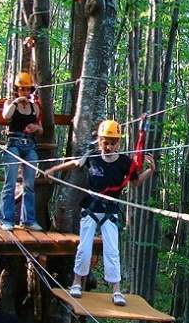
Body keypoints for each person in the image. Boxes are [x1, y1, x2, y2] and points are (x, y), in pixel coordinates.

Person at [45, 119, 155, 306]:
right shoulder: (92, 157)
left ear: (118, 144)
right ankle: (77, 283)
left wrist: (150, 171)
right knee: (84, 248)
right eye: (106, 142)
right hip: (91, 208)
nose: (109, 146)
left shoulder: (124, 163)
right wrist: (53, 170)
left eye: (113, 143)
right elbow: (74, 164)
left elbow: (135, 183)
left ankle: (116, 290)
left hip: (110, 211)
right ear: (99, 141)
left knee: (112, 251)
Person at [0, 72, 43, 231]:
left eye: (27, 89)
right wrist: (16, 102)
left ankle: (28, 220)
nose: (24, 92)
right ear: (16, 89)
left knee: (29, 184)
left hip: (29, 145)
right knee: (10, 183)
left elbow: (41, 128)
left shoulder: (35, 107)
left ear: (31, 90)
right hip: (13, 144)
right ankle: (6, 219)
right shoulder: (10, 103)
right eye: (21, 89)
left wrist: (35, 128)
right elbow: (6, 116)